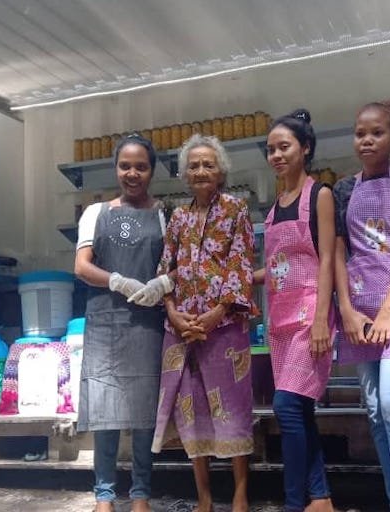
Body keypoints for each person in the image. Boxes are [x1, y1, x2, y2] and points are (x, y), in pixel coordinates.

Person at [150, 133, 257, 512]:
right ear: (184, 174)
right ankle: (205, 498)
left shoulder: (236, 209)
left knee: (232, 407)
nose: (200, 171)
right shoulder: (177, 217)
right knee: (191, 409)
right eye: (193, 165)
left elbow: (240, 265)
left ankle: (241, 493)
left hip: (223, 329)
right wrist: (174, 314)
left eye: (208, 164)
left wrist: (215, 315)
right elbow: (166, 271)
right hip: (182, 332)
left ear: (221, 171)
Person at [333, 100, 390, 512]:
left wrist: (389, 307)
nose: (367, 140)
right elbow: (338, 254)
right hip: (358, 308)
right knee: (373, 410)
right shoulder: (344, 189)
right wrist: (347, 310)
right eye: (360, 133)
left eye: (377, 133)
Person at [74, 134, 172, 512]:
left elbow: (174, 266)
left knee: (145, 411)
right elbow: (82, 266)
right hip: (104, 323)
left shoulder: (164, 214)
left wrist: (162, 284)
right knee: (105, 409)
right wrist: (117, 280)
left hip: (147, 323)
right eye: (125, 166)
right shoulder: (95, 213)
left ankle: (141, 493)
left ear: (152, 170)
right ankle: (104, 494)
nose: (132, 174)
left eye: (141, 166)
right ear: (116, 168)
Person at [254, 109, 337, 512]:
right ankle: (320, 497)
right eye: (270, 149)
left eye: (284, 146)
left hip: (310, 316)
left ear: (305, 149)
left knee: (286, 406)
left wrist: (323, 318)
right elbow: (275, 267)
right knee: (300, 409)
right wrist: (241, 280)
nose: (276, 155)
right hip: (280, 319)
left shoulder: (318, 195)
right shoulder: (275, 206)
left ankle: (292, 503)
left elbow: (327, 259)